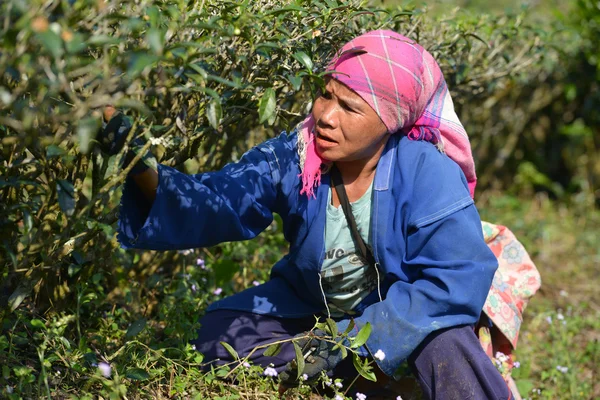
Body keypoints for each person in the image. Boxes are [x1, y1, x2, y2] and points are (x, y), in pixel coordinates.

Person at [100, 30, 531, 399]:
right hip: (320, 314)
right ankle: (369, 381)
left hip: (402, 319)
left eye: (349, 107)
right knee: (222, 331)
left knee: (448, 345)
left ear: (389, 121)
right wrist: (136, 157)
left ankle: (387, 373)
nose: (324, 116)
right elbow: (218, 200)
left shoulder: (426, 171)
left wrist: (366, 340)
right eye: (325, 94)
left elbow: (453, 282)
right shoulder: (297, 153)